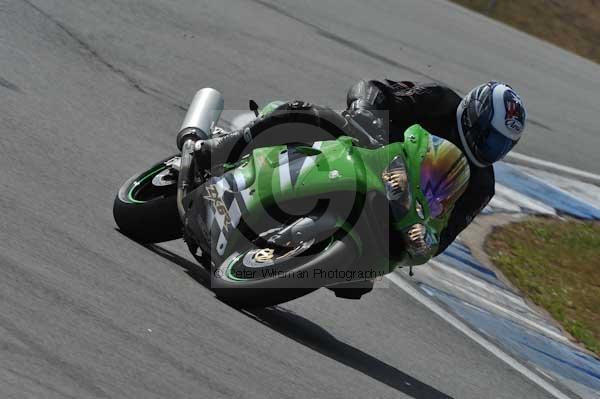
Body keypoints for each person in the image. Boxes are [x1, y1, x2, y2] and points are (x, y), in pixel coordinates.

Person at [195, 79, 527, 258]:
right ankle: (221, 148)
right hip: (368, 147)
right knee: (311, 116)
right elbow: (374, 89)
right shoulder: (439, 100)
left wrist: (423, 239)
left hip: (401, 205)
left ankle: (304, 256)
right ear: (474, 116)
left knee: (367, 275)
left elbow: (445, 233)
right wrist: (365, 112)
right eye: (489, 138)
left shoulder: (481, 184)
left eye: (501, 146)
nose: (490, 150)